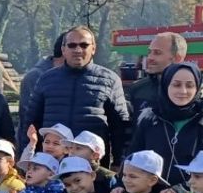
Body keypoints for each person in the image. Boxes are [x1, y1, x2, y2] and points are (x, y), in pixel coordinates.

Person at [23, 26, 132, 166]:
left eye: (84, 45)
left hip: (91, 164)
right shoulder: (46, 79)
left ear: (93, 48)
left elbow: (120, 127)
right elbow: (31, 122)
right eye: (72, 45)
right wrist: (26, 157)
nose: (78, 50)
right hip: (51, 163)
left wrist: (118, 163)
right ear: (63, 49)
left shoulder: (110, 80)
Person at [128, 62, 203, 193]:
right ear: (166, 85)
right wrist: (120, 186)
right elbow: (132, 159)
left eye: (189, 85)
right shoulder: (149, 119)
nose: (183, 91)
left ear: (197, 87)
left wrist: (179, 191)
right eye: (176, 85)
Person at [15, 35, 65, 147]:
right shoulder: (35, 77)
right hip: (40, 144)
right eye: (73, 46)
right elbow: (28, 116)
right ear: (64, 50)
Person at [126, 32, 189, 115]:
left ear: (177, 58)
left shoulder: (195, 94)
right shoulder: (137, 89)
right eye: (149, 52)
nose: (150, 58)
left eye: (157, 53)